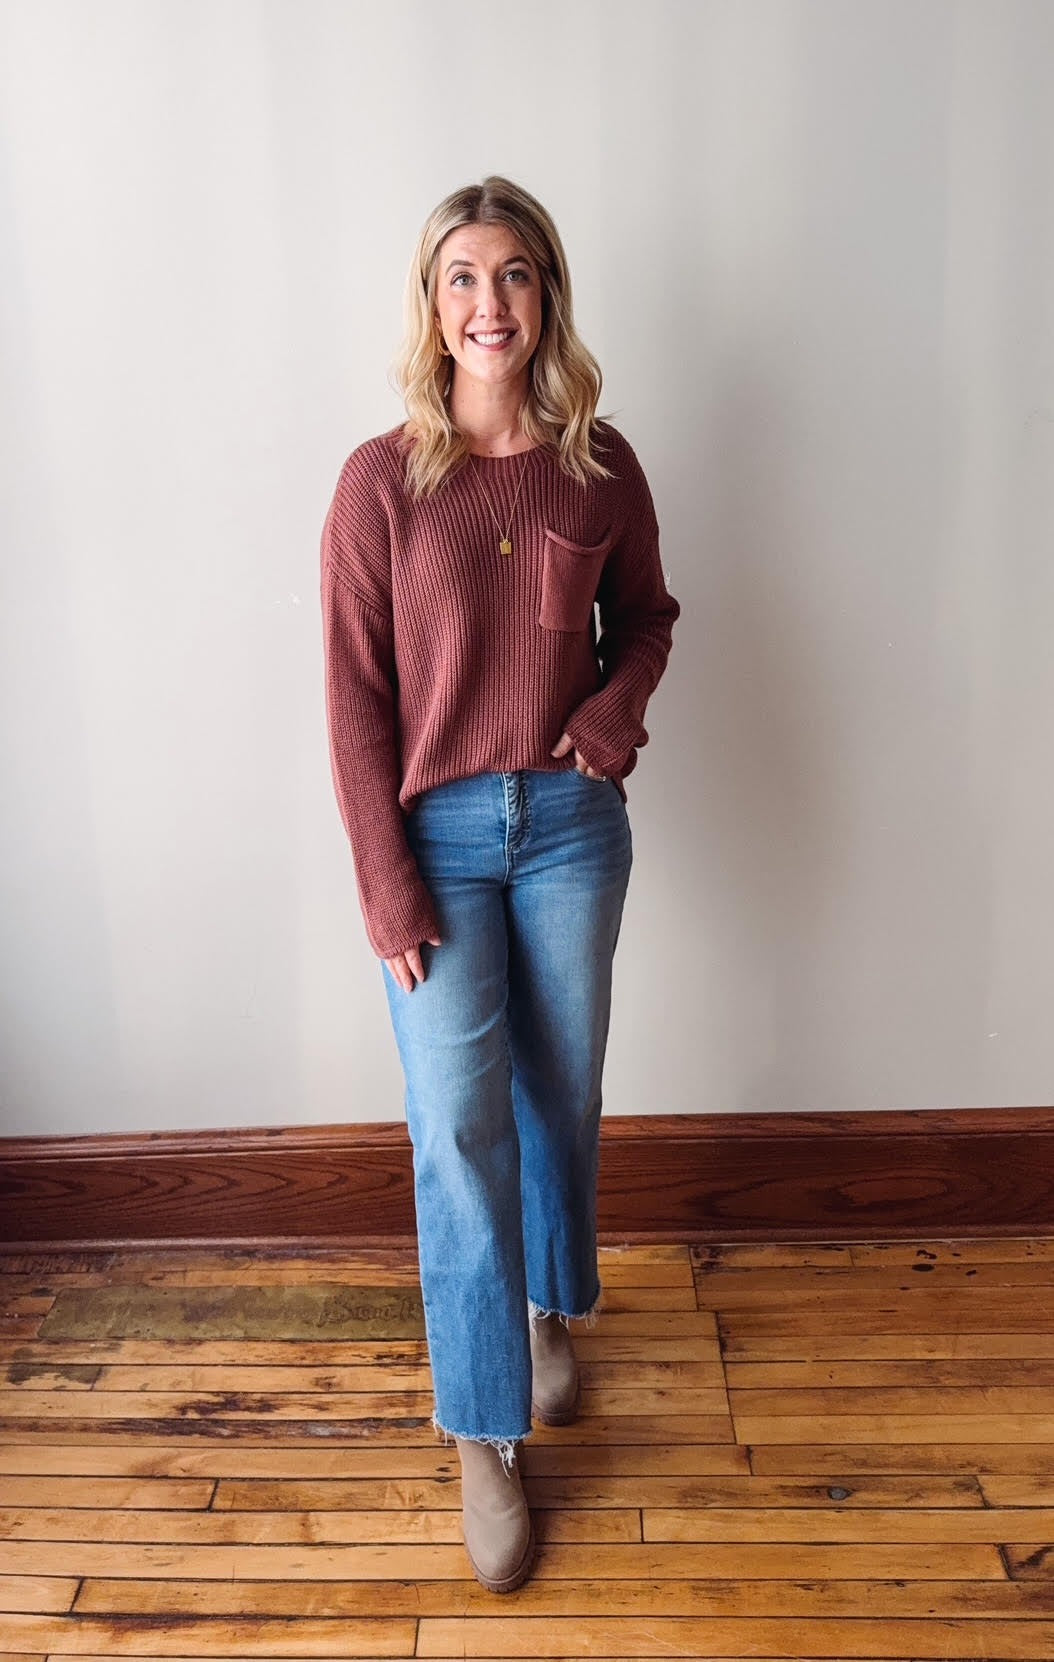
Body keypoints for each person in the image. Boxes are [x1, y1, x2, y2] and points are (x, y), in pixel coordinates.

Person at [320, 175, 679, 1593]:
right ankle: (482, 1429)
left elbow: (645, 616)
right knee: (454, 1127)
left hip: (573, 832)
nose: (489, 304)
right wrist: (383, 885)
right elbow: (352, 696)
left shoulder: (600, 465)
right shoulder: (378, 481)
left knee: (562, 1088)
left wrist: (607, 725)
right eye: (462, 277)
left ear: (548, 298)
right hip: (439, 843)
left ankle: (547, 1306)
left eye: (515, 276)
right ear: (431, 304)